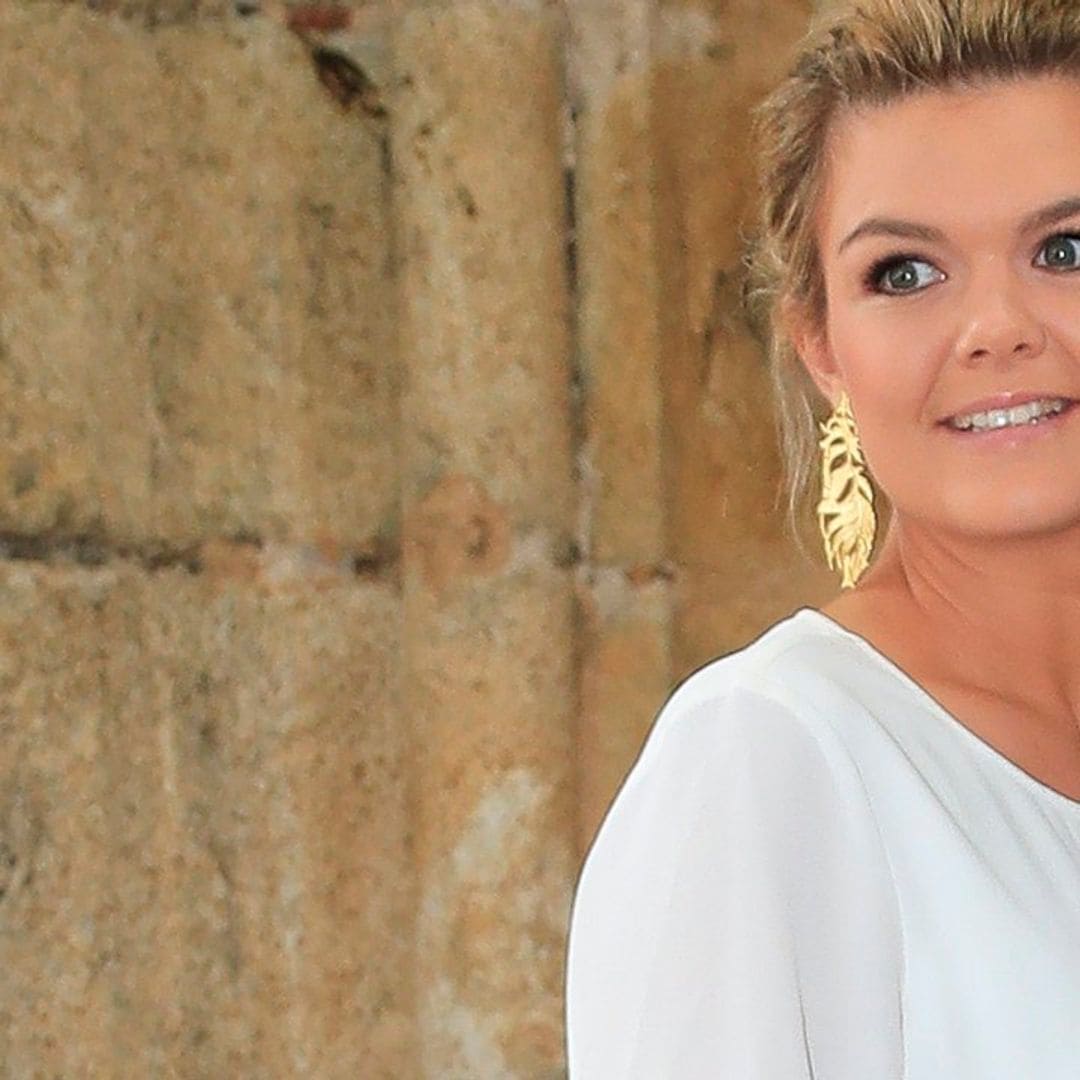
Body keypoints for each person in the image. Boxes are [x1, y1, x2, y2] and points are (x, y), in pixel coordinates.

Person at [564, 0, 1080, 1076]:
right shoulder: (769, 756)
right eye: (905, 272)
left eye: (1065, 248)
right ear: (823, 348)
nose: (999, 327)